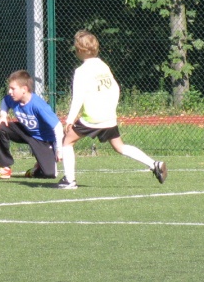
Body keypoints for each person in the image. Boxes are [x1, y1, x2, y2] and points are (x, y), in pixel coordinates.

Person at [57, 30, 166, 189]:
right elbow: (115, 88)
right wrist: (111, 109)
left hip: (92, 118)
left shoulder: (81, 71)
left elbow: (78, 97)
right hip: (108, 117)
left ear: (80, 50)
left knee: (67, 141)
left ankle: (69, 180)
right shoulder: (103, 66)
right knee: (120, 147)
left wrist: (69, 119)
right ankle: (154, 164)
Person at [0, 70, 64, 179]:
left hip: (43, 140)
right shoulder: (13, 99)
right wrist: (3, 116)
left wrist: (59, 149)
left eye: (13, 89)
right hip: (26, 132)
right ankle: (4, 168)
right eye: (9, 88)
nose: (9, 92)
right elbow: (5, 101)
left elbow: (58, 127)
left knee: (49, 174)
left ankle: (38, 167)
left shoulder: (38, 105)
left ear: (24, 89)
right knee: (1, 127)